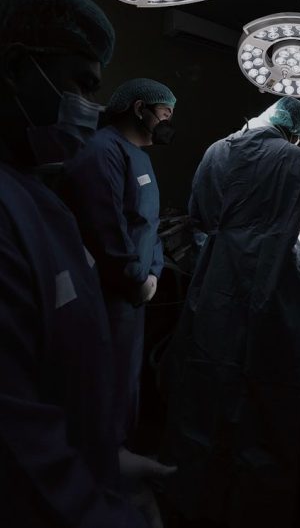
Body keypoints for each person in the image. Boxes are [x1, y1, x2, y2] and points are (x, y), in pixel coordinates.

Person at [0, 0, 169, 527]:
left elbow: (56, 383)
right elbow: (16, 442)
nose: (89, 107)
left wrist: (103, 462)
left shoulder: (30, 190)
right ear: (16, 66)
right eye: (82, 84)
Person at [163, 97, 300, 527]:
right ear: (295, 131)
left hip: (217, 278)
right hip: (270, 278)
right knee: (268, 392)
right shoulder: (294, 157)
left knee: (205, 385)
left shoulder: (215, 151)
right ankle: (257, 509)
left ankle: (190, 502)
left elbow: (199, 214)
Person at [63, 77, 176, 448]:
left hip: (134, 293)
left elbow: (149, 223)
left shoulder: (139, 156)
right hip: (108, 293)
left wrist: (154, 272)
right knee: (99, 387)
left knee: (124, 383)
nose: (167, 123)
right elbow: (104, 226)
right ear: (139, 108)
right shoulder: (101, 151)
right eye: (163, 114)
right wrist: (134, 278)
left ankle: (119, 459)